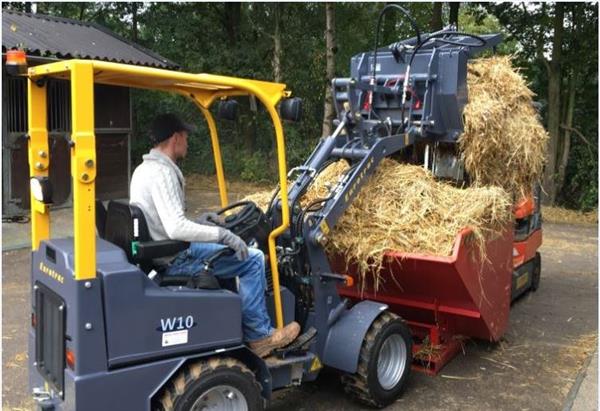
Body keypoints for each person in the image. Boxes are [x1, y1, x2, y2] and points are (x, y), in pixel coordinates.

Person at [130, 113, 300, 357]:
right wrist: (223, 235)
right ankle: (260, 336)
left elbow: (162, 221)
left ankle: (246, 324)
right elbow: (175, 228)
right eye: (186, 137)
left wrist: (199, 222)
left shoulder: (144, 170)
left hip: (163, 250)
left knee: (238, 252)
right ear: (176, 138)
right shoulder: (162, 173)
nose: (187, 143)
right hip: (176, 257)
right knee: (252, 259)